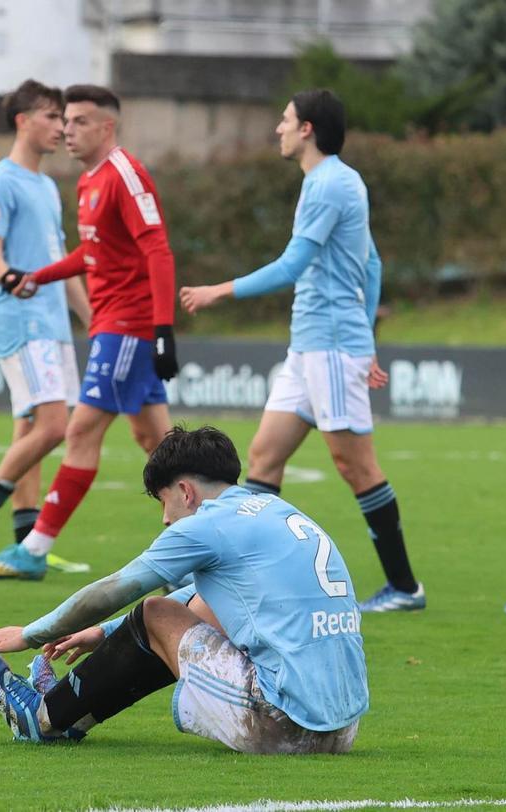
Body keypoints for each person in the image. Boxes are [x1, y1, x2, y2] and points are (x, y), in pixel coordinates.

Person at [0, 426, 368, 753]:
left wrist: (30, 634)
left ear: (186, 491)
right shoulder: (274, 511)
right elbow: (205, 603)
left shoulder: (207, 524)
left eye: (165, 502)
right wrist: (105, 633)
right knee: (173, 613)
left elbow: (114, 590)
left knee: (155, 612)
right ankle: (68, 706)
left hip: (284, 724)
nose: (166, 519)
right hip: (343, 730)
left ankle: (43, 718)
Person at [178, 89, 422, 613]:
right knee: (264, 456)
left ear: (308, 129)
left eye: (285, 120)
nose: (278, 129)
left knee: (356, 466)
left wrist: (219, 290)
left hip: (332, 347)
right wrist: (370, 338)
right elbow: (373, 265)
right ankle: (253, 578)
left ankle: (404, 587)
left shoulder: (329, 183)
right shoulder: (337, 181)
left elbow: (292, 265)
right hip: (313, 346)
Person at [0, 84, 179, 580]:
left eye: (80, 121)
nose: (67, 129)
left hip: (129, 325)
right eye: (65, 120)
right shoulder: (87, 183)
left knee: (80, 429)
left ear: (107, 126)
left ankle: (35, 549)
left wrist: (164, 327)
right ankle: (201, 546)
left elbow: (158, 250)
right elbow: (91, 255)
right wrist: (38, 277)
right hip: (111, 323)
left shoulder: (125, 175)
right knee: (159, 442)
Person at [0, 79, 92, 575]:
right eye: (52, 117)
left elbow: (60, 263)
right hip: (21, 318)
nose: (61, 127)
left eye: (64, 119)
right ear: (23, 121)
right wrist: (9, 276)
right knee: (56, 426)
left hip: (52, 322)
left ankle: (28, 544)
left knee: (32, 428)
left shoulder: (47, 187)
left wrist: (94, 319)